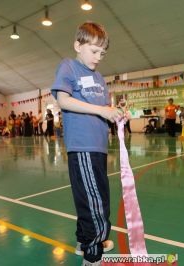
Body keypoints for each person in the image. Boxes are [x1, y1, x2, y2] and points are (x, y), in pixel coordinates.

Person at [51, 22, 121, 266]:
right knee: (95, 202)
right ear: (77, 46)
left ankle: (84, 241)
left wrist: (116, 113)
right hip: (82, 147)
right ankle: (93, 255)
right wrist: (102, 109)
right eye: (94, 51)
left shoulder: (100, 78)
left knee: (92, 196)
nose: (98, 57)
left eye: (102, 53)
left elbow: (104, 111)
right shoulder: (69, 66)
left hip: (99, 147)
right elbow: (64, 101)